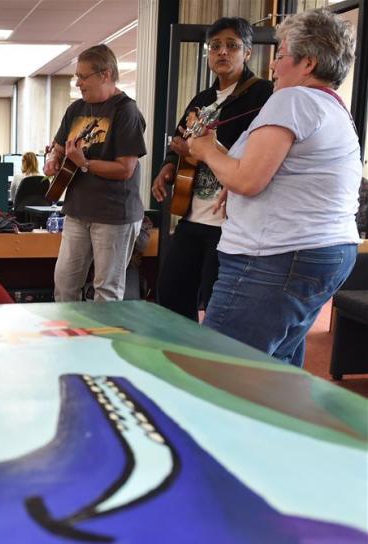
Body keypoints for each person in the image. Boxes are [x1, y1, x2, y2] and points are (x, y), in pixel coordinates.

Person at [188, 8, 360, 367]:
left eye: (280, 56)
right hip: (319, 252)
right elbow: (271, 172)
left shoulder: (292, 99)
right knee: (274, 372)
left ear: (307, 63)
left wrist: (205, 151)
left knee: (220, 370)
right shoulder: (331, 108)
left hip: (275, 258)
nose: (272, 67)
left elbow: (249, 180)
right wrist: (228, 170)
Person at [153, 18, 273, 321]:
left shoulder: (263, 95)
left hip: (232, 220)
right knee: (170, 292)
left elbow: (256, 153)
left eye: (231, 46)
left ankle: (208, 364)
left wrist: (205, 151)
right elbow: (179, 139)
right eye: (215, 46)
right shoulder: (202, 100)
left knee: (216, 303)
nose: (222, 52)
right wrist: (168, 165)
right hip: (193, 212)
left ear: (247, 52)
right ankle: (179, 358)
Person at [46, 44, 146, 301]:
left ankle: (100, 342)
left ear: (105, 74)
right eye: (76, 76)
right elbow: (58, 148)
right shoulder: (75, 109)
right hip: (77, 212)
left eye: (83, 76)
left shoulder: (127, 111)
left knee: (106, 291)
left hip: (114, 216)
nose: (78, 83)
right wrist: (52, 160)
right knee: (65, 284)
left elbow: (125, 168)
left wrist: (85, 163)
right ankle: (69, 339)